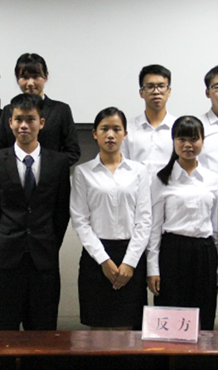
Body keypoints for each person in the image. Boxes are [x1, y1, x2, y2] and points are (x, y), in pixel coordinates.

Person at [0, 93, 71, 330]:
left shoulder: (59, 163)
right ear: (10, 122)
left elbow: (61, 213)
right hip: (6, 261)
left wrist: (49, 242)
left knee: (43, 334)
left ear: (41, 123)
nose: (24, 125)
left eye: (30, 119)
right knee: (6, 333)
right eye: (18, 119)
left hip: (44, 260)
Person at [70, 107, 151, 330]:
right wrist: (103, 260)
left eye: (116, 129)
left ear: (125, 134)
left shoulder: (139, 171)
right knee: (98, 332)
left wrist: (129, 262)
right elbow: (80, 221)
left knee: (129, 331)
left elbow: (144, 220)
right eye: (104, 129)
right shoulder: (83, 172)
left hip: (130, 257)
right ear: (94, 134)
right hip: (96, 259)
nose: (110, 135)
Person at [146, 116, 218, 330]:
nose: (188, 145)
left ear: (202, 141)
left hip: (204, 253)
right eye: (181, 139)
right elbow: (154, 227)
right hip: (172, 253)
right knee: (170, 320)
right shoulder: (162, 179)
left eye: (193, 139)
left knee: (202, 319)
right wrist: (152, 268)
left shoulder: (213, 179)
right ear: (173, 141)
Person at [0, 53, 80, 166]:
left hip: (51, 174)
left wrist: (49, 168)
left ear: (46, 76)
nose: (30, 83)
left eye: (35, 77)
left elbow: (73, 151)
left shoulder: (61, 110)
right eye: (25, 77)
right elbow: (0, 150)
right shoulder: (8, 110)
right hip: (14, 175)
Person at [121, 64, 176, 175]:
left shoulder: (178, 127)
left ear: (169, 91)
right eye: (150, 87)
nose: (156, 91)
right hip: (136, 186)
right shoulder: (128, 128)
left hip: (170, 186)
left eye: (161, 86)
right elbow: (121, 167)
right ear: (141, 93)